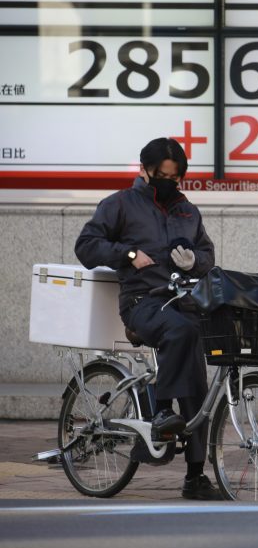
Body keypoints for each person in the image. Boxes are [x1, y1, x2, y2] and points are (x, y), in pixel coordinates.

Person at [75, 138, 220, 500]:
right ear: (144, 170)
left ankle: (195, 476)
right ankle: (162, 413)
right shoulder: (120, 204)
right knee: (182, 331)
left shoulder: (188, 211)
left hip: (182, 303)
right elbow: (86, 246)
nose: (169, 183)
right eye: (162, 176)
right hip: (141, 302)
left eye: (175, 177)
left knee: (199, 386)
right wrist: (128, 253)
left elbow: (206, 253)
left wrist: (195, 262)